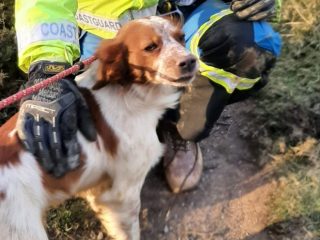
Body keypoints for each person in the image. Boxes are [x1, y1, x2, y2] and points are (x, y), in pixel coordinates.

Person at [15, 0, 281, 192]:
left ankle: (180, 130)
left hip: (183, 12)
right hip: (102, 30)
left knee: (250, 45)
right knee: (90, 112)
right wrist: (47, 65)